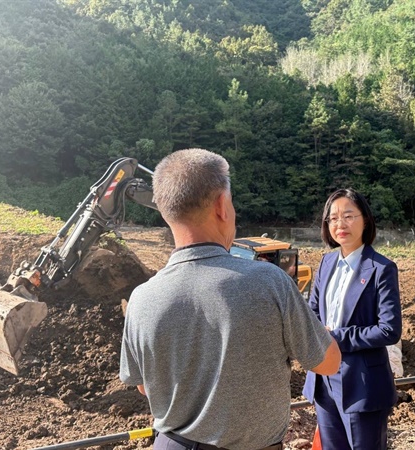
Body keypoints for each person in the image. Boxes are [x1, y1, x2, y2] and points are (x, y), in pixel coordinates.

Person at [119, 148, 341, 450]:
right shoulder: (270, 281)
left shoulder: (141, 299)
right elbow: (328, 363)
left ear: (165, 211)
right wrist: (322, 336)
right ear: (222, 205)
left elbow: (145, 386)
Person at [302, 188, 402, 450]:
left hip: (362, 384)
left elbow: (389, 329)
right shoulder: (327, 262)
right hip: (324, 379)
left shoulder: (381, 268)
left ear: (365, 220)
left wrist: (334, 336)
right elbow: (313, 311)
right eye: (333, 218)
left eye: (348, 216)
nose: (340, 224)